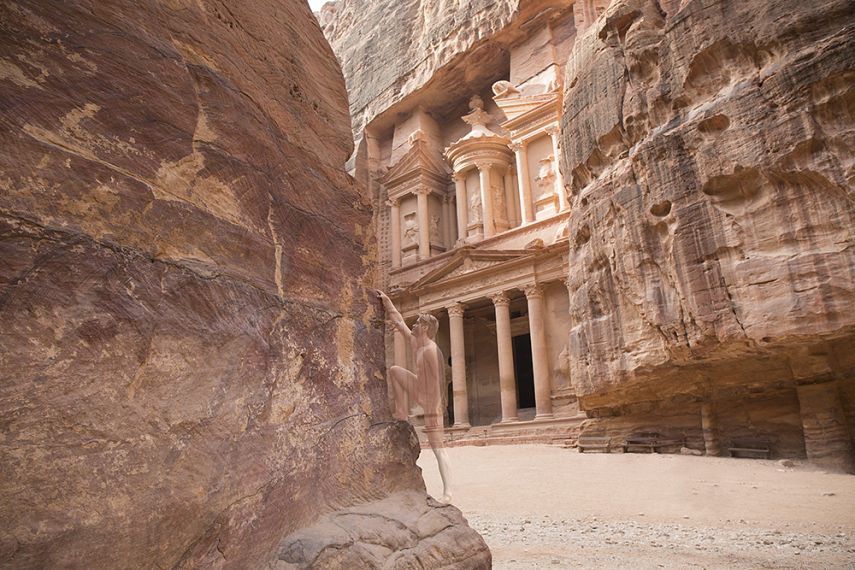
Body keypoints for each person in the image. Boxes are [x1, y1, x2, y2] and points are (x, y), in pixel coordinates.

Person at [376, 290, 453, 503]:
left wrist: (434, 407)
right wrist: (388, 301)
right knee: (395, 371)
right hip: (419, 389)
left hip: (432, 402)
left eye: (417, 323)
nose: (413, 325)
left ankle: (447, 492)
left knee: (438, 448)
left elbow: (439, 380)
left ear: (425, 328)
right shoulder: (415, 343)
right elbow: (399, 322)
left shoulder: (430, 349)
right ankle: (401, 411)